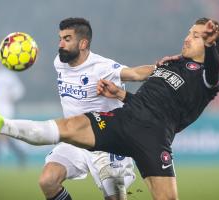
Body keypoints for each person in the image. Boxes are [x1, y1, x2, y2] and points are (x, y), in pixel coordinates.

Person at [0, 17, 219, 200]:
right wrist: (121, 94)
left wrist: (212, 47)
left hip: (154, 136)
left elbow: (211, 72)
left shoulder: (208, 77)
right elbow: (151, 102)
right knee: (68, 131)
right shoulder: (172, 64)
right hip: (123, 118)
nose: (187, 37)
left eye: (196, 36)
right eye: (189, 32)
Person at [38, 18, 157, 200]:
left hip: (107, 142)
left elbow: (134, 74)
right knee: (48, 181)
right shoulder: (60, 62)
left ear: (83, 43)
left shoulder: (102, 67)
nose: (60, 44)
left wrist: (164, 67)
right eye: (60, 38)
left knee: (114, 197)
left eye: (67, 39)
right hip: (76, 139)